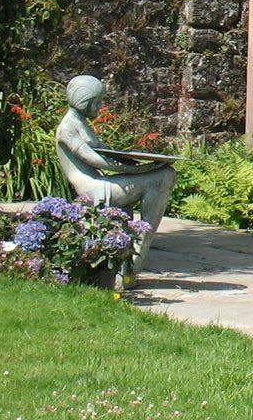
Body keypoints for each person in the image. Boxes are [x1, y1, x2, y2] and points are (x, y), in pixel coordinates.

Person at [55, 74, 176, 272]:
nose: (100, 107)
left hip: (100, 180)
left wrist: (135, 161)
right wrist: (138, 169)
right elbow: (95, 160)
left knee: (165, 173)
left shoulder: (81, 122)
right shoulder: (67, 128)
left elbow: (106, 152)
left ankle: (136, 252)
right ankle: (138, 252)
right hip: (94, 188)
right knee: (163, 177)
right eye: (96, 102)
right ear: (83, 100)